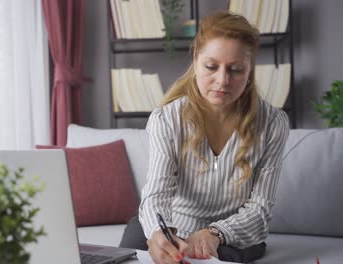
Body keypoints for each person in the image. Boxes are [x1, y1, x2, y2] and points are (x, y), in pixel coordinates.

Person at [118, 11, 290, 263]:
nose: (222, 80)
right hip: (173, 227)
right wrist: (159, 233)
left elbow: (260, 210)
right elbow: (157, 193)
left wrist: (215, 233)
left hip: (230, 237)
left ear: (250, 70)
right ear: (196, 60)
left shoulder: (273, 124)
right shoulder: (167, 120)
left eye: (236, 69)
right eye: (211, 66)